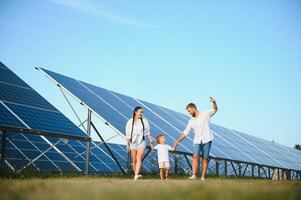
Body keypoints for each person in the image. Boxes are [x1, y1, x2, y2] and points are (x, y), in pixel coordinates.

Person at [173, 97, 218, 180]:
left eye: (189, 111)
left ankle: (203, 177)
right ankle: (194, 175)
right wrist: (177, 141)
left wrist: (214, 102)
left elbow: (215, 109)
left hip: (207, 139)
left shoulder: (205, 114)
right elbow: (185, 132)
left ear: (194, 108)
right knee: (195, 156)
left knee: (205, 158)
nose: (189, 113)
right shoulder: (191, 121)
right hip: (197, 140)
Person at [126, 106, 154, 180]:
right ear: (135, 112)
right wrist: (127, 144)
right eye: (140, 112)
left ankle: (136, 175)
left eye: (142, 112)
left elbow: (147, 132)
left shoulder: (144, 121)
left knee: (139, 157)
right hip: (133, 141)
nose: (142, 113)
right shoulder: (130, 121)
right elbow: (128, 134)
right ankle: (136, 174)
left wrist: (150, 139)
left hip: (141, 140)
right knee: (134, 159)